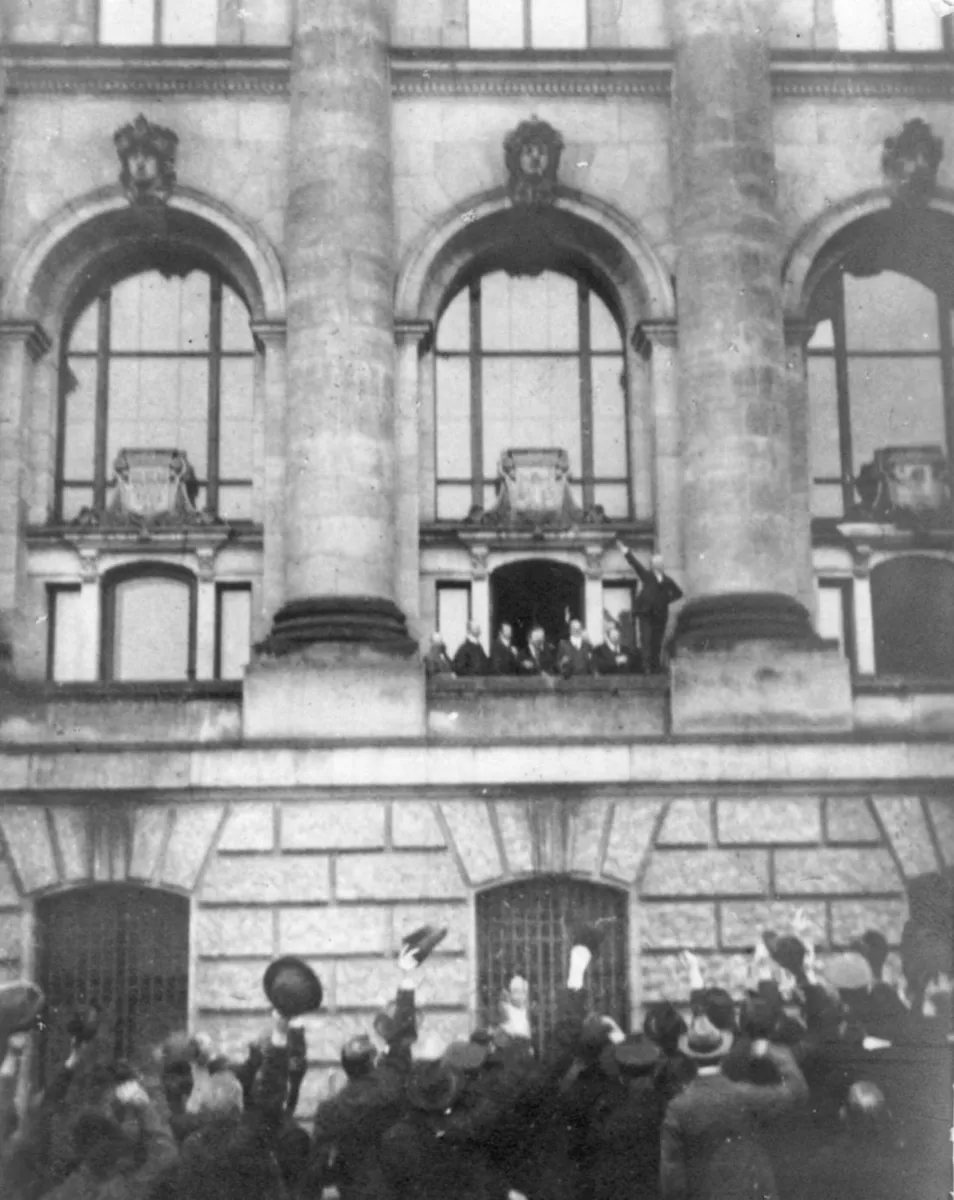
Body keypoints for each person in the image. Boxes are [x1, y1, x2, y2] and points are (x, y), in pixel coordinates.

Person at [616, 538, 683, 673]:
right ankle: (646, 667)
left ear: (662, 565)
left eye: (659, 562)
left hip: (660, 614)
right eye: (655, 562)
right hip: (645, 613)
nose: (657, 564)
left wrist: (666, 600)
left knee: (657, 641)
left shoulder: (667, 580)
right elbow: (635, 564)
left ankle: (655, 667)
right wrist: (625, 551)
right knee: (645, 639)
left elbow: (678, 593)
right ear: (652, 565)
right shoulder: (647, 576)